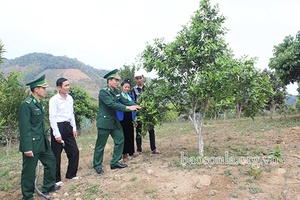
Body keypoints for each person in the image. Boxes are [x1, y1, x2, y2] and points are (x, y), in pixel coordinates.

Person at [18, 74, 60, 200]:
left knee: (51, 161)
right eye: (43, 88)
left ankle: (48, 186)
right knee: (29, 171)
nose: (45, 90)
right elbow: (24, 128)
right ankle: (27, 195)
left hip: (42, 142)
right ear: (36, 89)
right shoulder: (26, 105)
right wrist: (27, 148)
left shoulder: (39, 103)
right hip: (32, 143)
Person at [93, 69, 141, 174]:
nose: (118, 82)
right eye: (116, 80)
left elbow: (125, 100)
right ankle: (97, 165)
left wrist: (136, 105)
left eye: (118, 80)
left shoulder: (117, 92)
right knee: (101, 144)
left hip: (114, 121)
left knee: (120, 139)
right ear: (109, 81)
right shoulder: (103, 92)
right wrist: (129, 108)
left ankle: (115, 162)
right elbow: (112, 104)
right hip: (105, 122)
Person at [49, 78, 80, 186]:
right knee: (56, 154)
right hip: (58, 126)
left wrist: (74, 128)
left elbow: (71, 114)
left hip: (68, 126)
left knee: (74, 151)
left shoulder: (70, 98)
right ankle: (56, 179)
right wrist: (56, 134)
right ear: (59, 87)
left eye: (68, 85)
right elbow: (52, 117)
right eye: (65, 85)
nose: (68, 87)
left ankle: (71, 174)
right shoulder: (54, 100)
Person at [131, 70, 160, 154]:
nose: (139, 80)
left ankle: (153, 148)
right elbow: (133, 102)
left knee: (151, 130)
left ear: (143, 78)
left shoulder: (148, 88)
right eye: (137, 78)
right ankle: (139, 149)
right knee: (138, 131)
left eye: (140, 78)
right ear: (135, 79)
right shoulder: (133, 90)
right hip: (139, 113)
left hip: (148, 112)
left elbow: (152, 99)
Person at [116, 78, 139, 160]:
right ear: (122, 87)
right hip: (122, 117)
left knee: (130, 134)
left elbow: (133, 108)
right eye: (125, 87)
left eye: (128, 87)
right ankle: (124, 153)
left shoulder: (130, 97)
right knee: (123, 135)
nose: (127, 89)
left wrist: (135, 119)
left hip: (130, 117)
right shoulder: (118, 96)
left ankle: (131, 152)